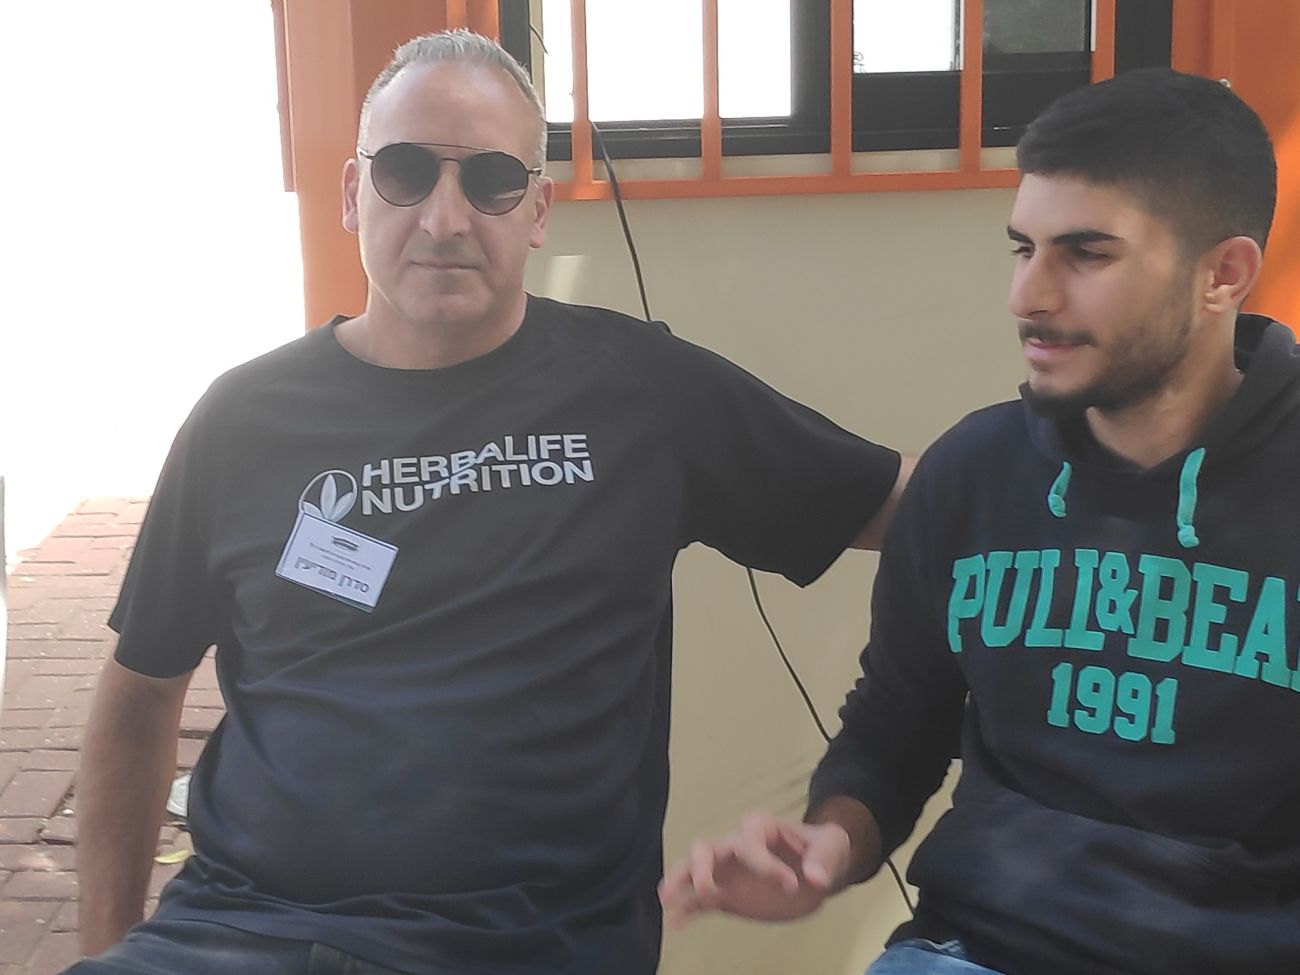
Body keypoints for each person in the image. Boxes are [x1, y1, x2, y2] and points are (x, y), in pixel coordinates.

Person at [68, 29, 908, 975]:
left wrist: (1057, 447)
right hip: (235, 931)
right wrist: (109, 952)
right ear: (351, 192)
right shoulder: (243, 417)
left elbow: (917, 504)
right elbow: (140, 692)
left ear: (538, 210)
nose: (445, 219)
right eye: (405, 172)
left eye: (491, 181)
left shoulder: (641, 391)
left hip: (518, 947)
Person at [660, 67, 1297, 975]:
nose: (1028, 295)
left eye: (1086, 254)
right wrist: (827, 849)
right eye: (1022, 248)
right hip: (971, 949)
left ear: (1222, 275)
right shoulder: (972, 473)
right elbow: (893, 731)